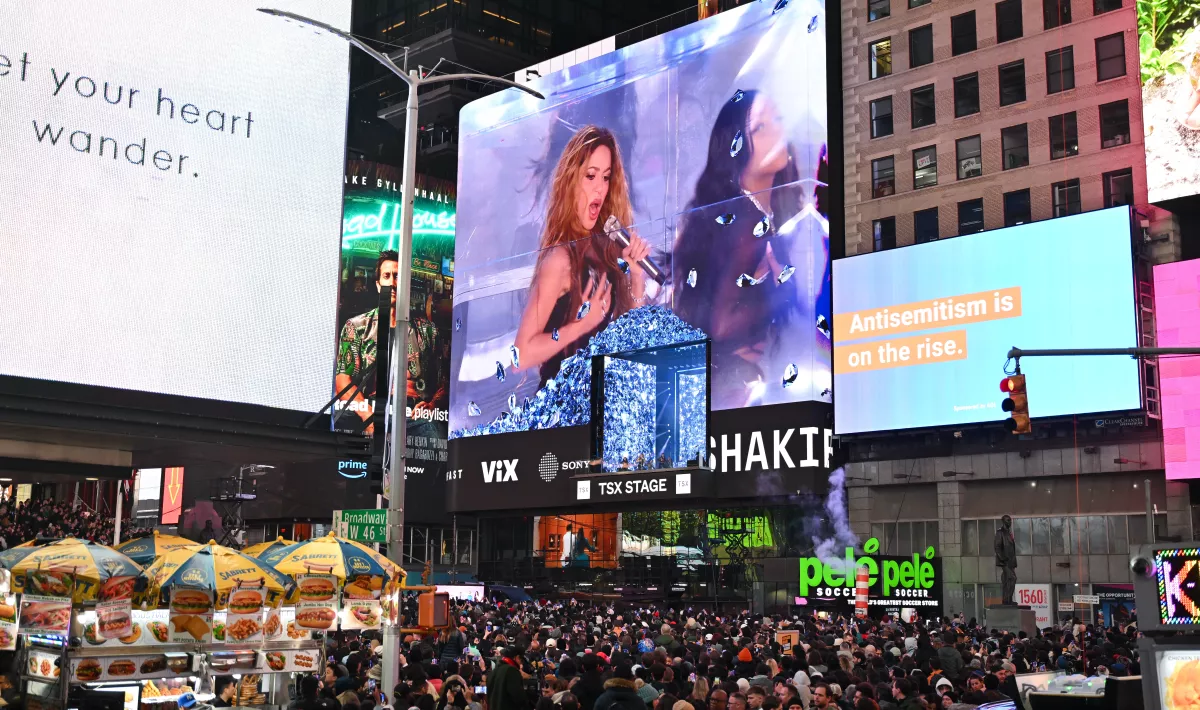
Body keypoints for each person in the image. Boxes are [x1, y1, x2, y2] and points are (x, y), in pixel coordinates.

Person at [672, 89, 809, 409]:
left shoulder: (765, 216)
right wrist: (781, 294)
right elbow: (720, 324)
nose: (777, 130)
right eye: (760, 127)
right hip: (734, 390)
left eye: (778, 119)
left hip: (739, 385)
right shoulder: (745, 223)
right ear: (734, 149)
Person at [513, 125, 651, 389]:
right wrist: (581, 325)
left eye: (606, 177)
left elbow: (631, 336)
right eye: (591, 176)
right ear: (571, 181)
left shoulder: (605, 249)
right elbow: (520, 356)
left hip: (600, 397)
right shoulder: (560, 259)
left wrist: (636, 275)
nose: (600, 188)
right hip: (563, 403)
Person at [336, 250, 399, 434]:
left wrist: (432, 404)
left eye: (397, 276)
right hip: (367, 404)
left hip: (410, 414)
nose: (393, 282)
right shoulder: (356, 327)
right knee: (338, 420)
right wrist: (367, 414)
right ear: (378, 285)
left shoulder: (427, 331)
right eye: (387, 276)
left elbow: (443, 386)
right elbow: (342, 380)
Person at [488, 645, 530, 710]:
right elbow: (518, 696)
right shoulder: (512, 670)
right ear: (517, 657)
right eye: (521, 660)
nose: (521, 664)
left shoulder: (494, 672)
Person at [995, 515, 1017, 605]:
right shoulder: (1000, 532)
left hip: (1011, 562)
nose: (1010, 522)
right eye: (1008, 520)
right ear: (1003, 521)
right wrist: (1002, 558)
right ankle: (1007, 600)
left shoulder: (1009, 532)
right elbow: (997, 547)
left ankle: (1007, 600)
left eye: (1010, 520)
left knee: (1007, 580)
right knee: (1012, 578)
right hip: (1005, 561)